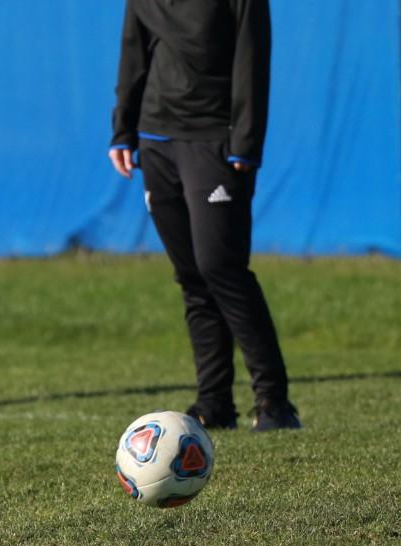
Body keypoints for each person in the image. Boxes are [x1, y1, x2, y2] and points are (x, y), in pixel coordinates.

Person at [108, 0, 300, 432]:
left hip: (215, 140)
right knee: (192, 276)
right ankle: (214, 404)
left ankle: (275, 402)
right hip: (156, 139)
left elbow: (253, 59)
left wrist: (245, 144)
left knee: (221, 268)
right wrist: (123, 127)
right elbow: (133, 51)